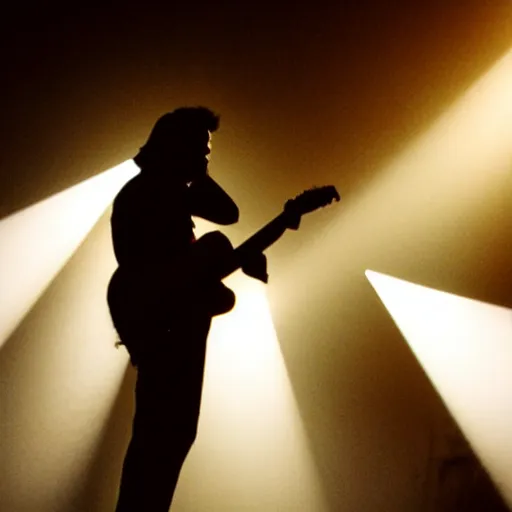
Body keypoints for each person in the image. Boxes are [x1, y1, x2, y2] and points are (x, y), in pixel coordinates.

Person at [107, 107, 267, 511]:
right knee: (159, 438)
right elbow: (144, 271)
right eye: (200, 147)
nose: (207, 156)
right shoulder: (150, 192)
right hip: (167, 329)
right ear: (175, 147)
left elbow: (229, 214)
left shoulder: (167, 190)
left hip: (169, 325)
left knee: (169, 437)